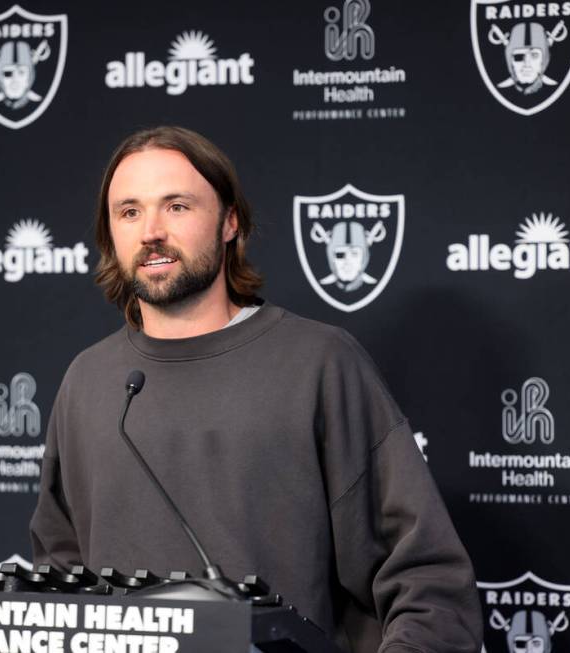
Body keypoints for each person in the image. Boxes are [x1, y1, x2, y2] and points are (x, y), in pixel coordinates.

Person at [29, 126, 483, 652]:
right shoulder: (88, 380)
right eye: (129, 212)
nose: (150, 231)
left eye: (176, 207)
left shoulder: (320, 363)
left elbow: (429, 584)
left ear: (229, 221)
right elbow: (58, 583)